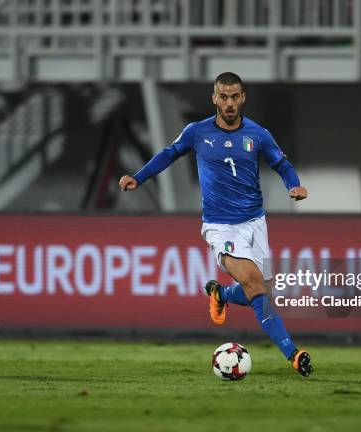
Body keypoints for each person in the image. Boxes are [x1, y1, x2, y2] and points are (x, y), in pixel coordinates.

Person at [119, 72, 313, 376]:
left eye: (235, 96)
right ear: (214, 98)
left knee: (261, 291)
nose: (230, 103)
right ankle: (293, 353)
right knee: (252, 283)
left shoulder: (258, 134)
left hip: (255, 222)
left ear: (243, 97)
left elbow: (282, 163)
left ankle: (221, 294)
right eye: (224, 96)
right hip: (221, 226)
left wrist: (295, 184)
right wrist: (138, 177)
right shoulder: (197, 132)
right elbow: (169, 154)